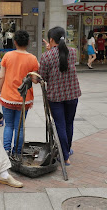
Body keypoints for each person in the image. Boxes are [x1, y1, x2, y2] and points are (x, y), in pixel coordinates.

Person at [39, 26, 81, 166]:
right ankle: (66, 151)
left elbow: (43, 76)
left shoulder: (46, 56)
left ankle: (65, 156)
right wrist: (52, 49)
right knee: (69, 124)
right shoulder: (73, 52)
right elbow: (61, 55)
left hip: (55, 97)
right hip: (72, 95)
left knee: (60, 125)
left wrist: (49, 51)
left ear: (51, 39)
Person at [0, 30, 39, 155]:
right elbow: (35, 80)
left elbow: (1, 77)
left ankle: (6, 151)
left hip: (7, 96)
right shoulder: (32, 59)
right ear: (28, 42)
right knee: (19, 127)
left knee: (8, 125)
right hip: (24, 99)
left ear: (15, 42)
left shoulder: (7, 56)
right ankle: (17, 152)